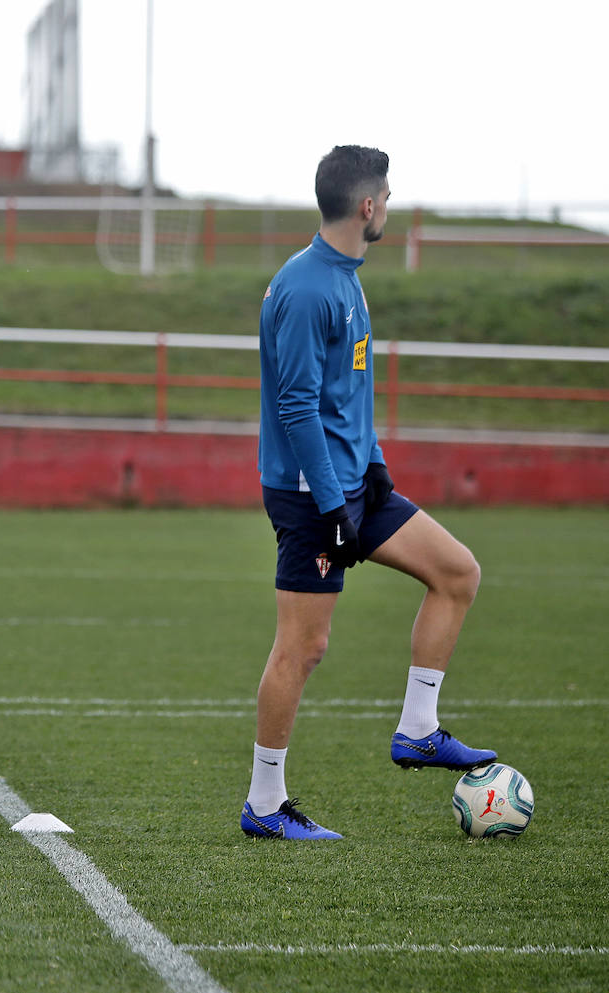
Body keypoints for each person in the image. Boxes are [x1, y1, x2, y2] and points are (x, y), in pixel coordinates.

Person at [243, 146, 492, 841]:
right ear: (368, 206)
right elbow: (297, 408)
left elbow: (346, 396)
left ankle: (418, 729)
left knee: (457, 571)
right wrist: (332, 507)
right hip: (310, 494)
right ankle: (264, 804)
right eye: (387, 193)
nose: (390, 203)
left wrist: (374, 465)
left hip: (356, 484)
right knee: (304, 645)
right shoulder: (305, 288)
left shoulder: (348, 279)